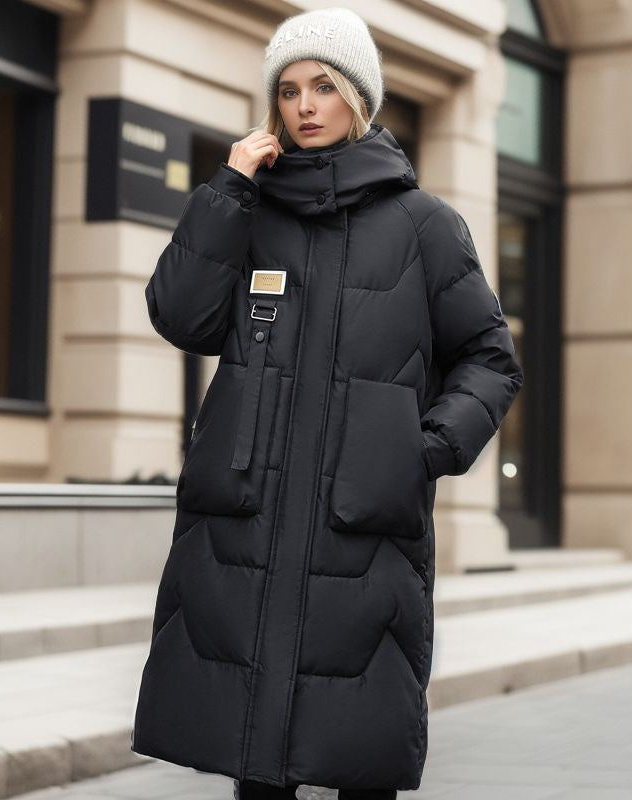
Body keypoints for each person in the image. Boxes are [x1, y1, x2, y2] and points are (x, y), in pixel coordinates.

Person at [131, 7, 523, 800]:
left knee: (356, 749)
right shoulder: (248, 213)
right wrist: (228, 188)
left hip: (364, 527)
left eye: (323, 86)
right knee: (256, 755)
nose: (305, 105)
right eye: (288, 90)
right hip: (250, 521)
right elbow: (183, 317)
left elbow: (490, 358)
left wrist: (424, 451)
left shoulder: (425, 228)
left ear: (358, 97)